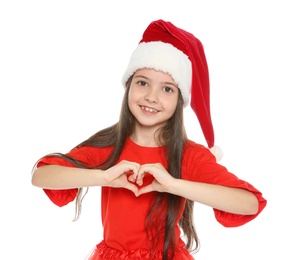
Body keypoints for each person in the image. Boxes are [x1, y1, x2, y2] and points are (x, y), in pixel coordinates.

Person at [31, 19, 267, 260]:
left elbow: (249, 203)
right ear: (128, 86)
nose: (151, 97)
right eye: (143, 83)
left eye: (167, 89)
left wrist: (172, 184)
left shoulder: (187, 154)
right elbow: (41, 176)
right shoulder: (109, 144)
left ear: (179, 99)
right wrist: (103, 177)